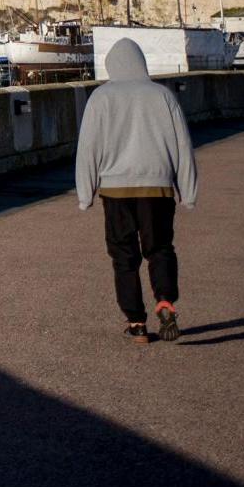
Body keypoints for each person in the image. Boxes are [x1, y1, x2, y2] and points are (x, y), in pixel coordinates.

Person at [76, 38, 200, 343]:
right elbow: (181, 145)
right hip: (157, 187)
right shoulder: (162, 95)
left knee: (124, 256)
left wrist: (85, 192)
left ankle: (136, 322)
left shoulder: (100, 98)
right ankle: (165, 302)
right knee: (160, 248)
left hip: (116, 190)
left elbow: (88, 149)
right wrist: (188, 189)